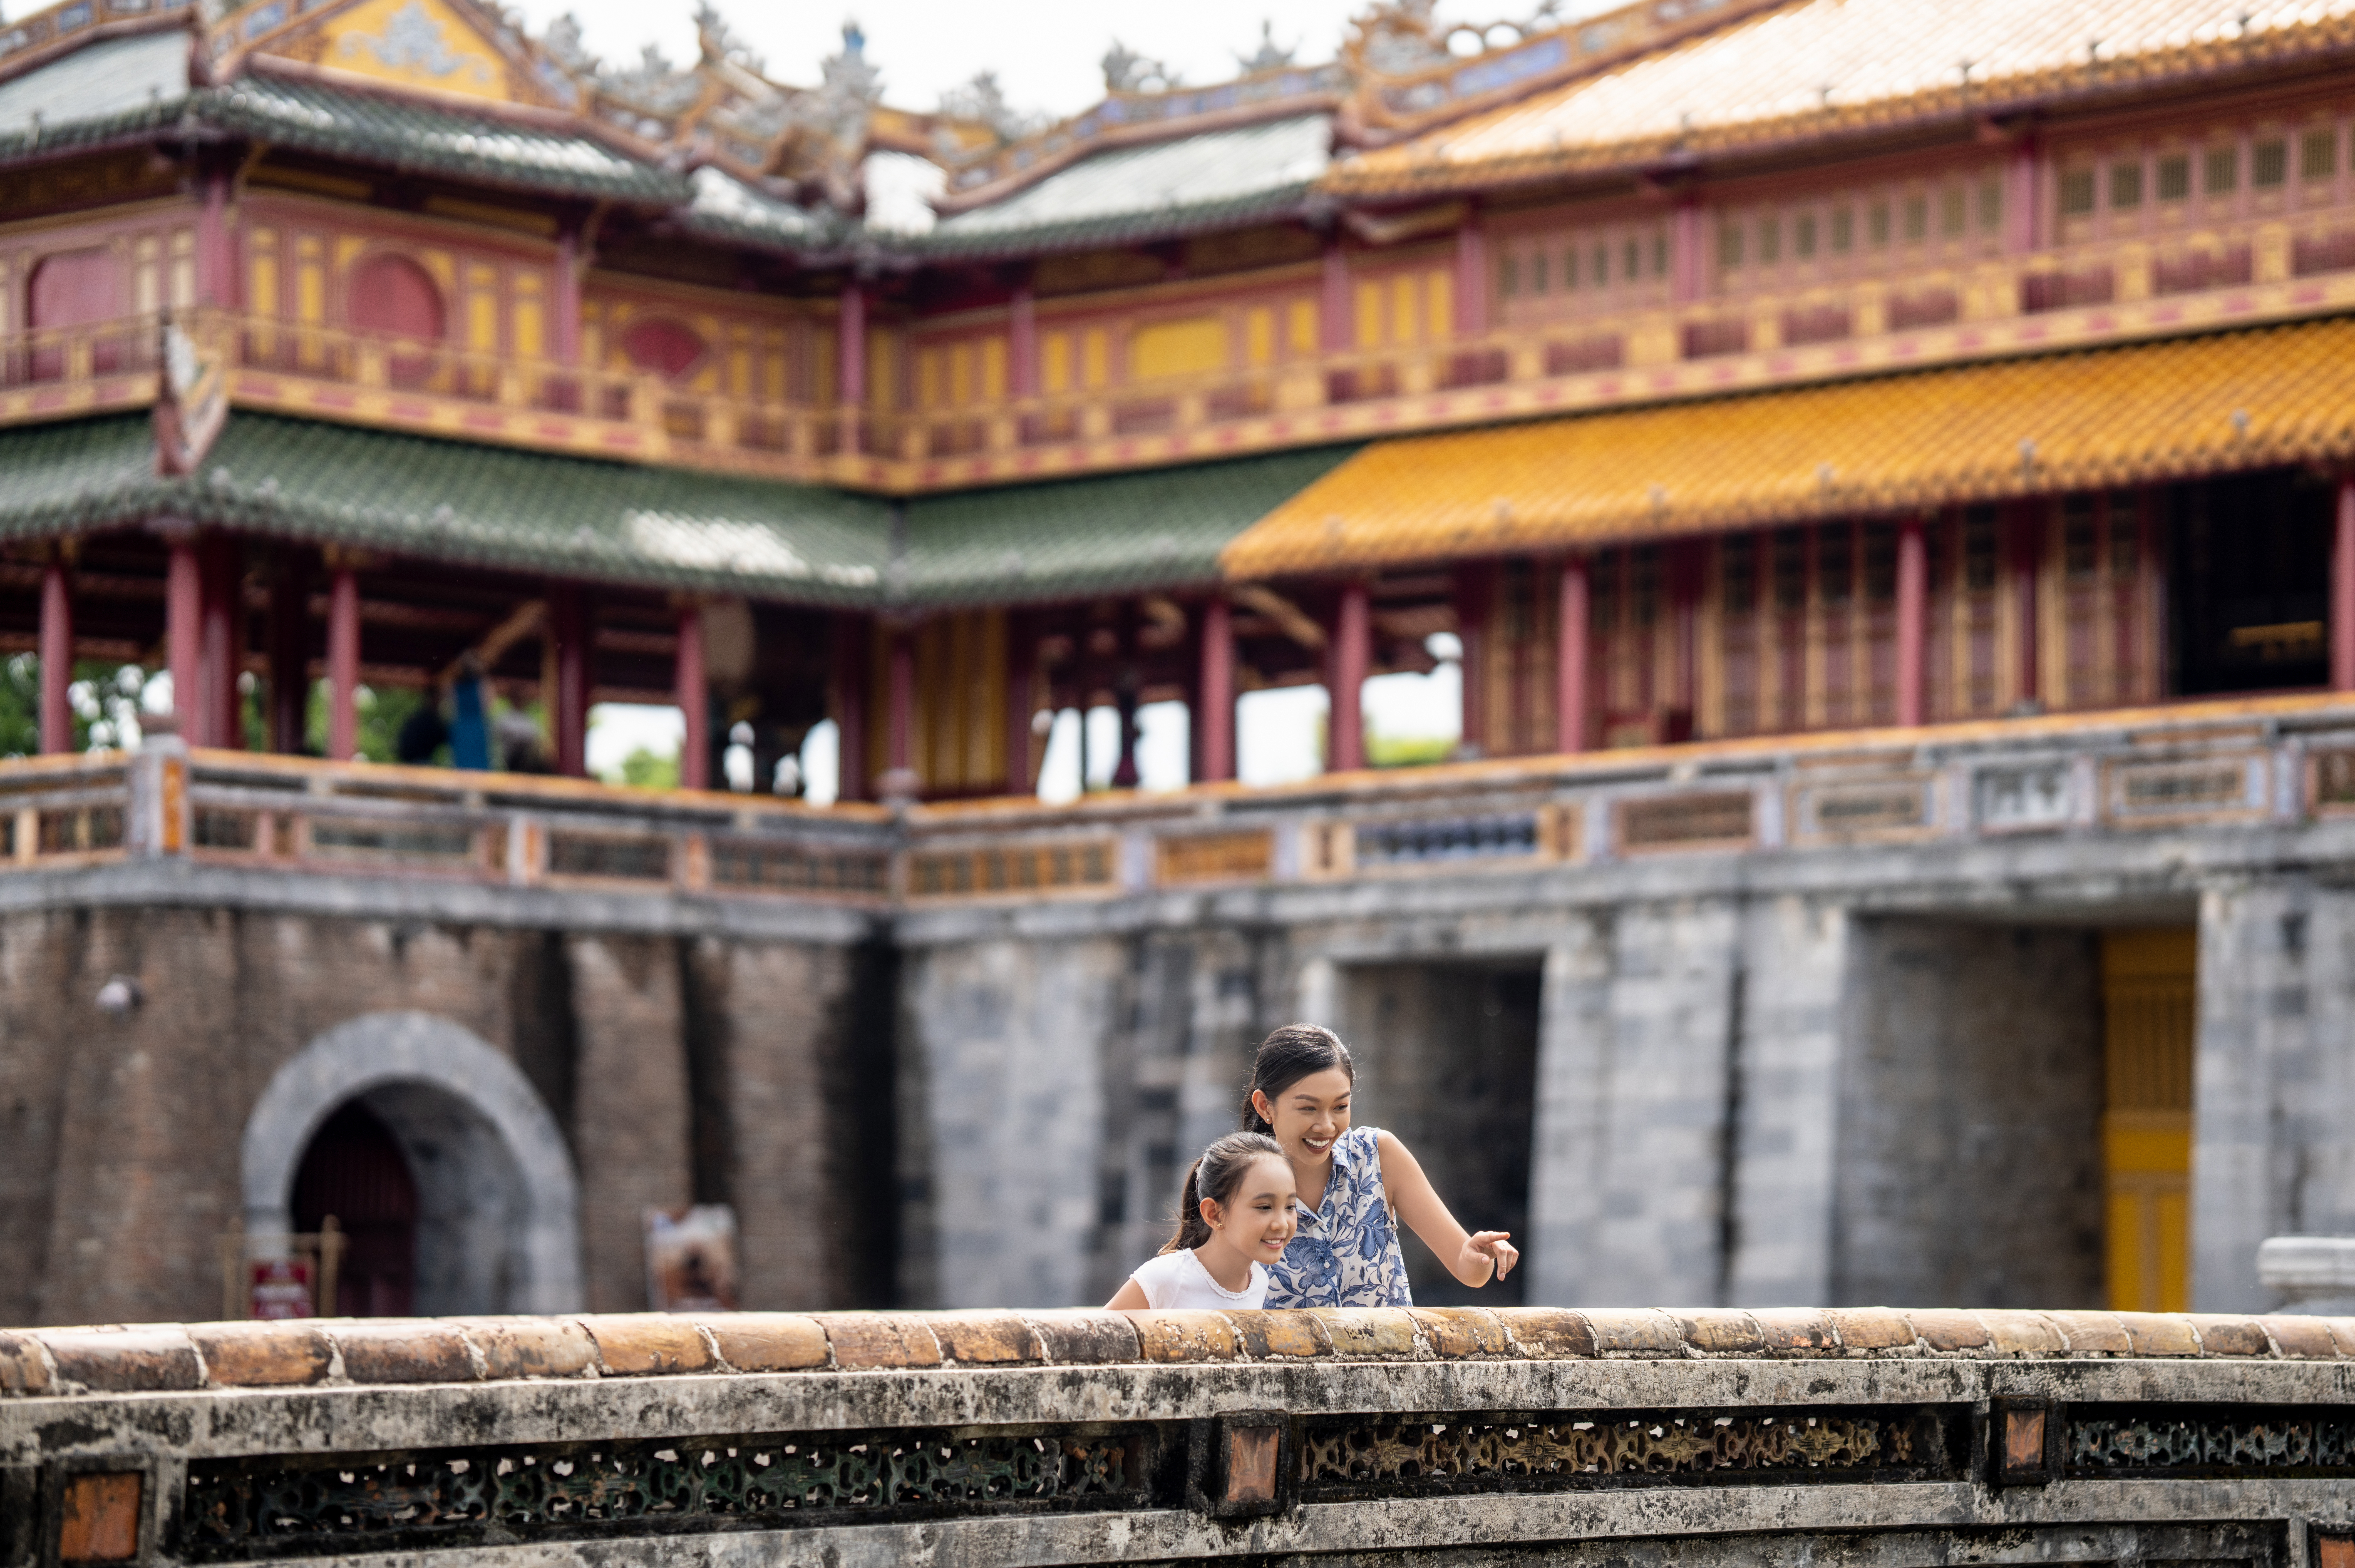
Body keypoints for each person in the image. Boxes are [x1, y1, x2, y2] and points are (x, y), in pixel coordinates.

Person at [1244, 1023, 1518, 1307]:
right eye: (1308, 1108)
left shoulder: (1377, 1155)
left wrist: (1481, 1257)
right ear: (1264, 1106)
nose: (1326, 1126)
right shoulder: (1239, 1182)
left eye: (1340, 1107)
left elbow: (1466, 1268)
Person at [1105, 1131, 1298, 1310]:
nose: (1281, 1224)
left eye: (1290, 1207)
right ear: (1214, 1214)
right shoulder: (1167, 1278)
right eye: (1264, 1207)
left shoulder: (1259, 1281)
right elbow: (1093, 1339)